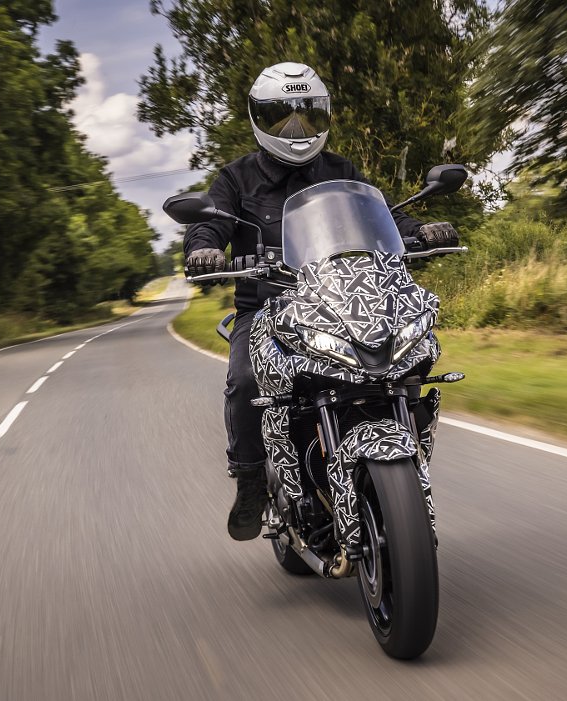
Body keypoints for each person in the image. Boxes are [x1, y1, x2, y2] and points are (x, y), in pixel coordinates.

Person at [184, 62, 458, 541]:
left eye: (307, 115)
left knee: (409, 355)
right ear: (258, 120)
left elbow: (384, 216)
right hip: (268, 306)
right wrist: (202, 248)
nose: (296, 129)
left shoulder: (340, 171)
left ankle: (400, 459)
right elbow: (211, 223)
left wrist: (420, 231)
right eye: (282, 117)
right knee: (245, 379)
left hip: (342, 297)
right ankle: (250, 481)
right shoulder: (236, 179)